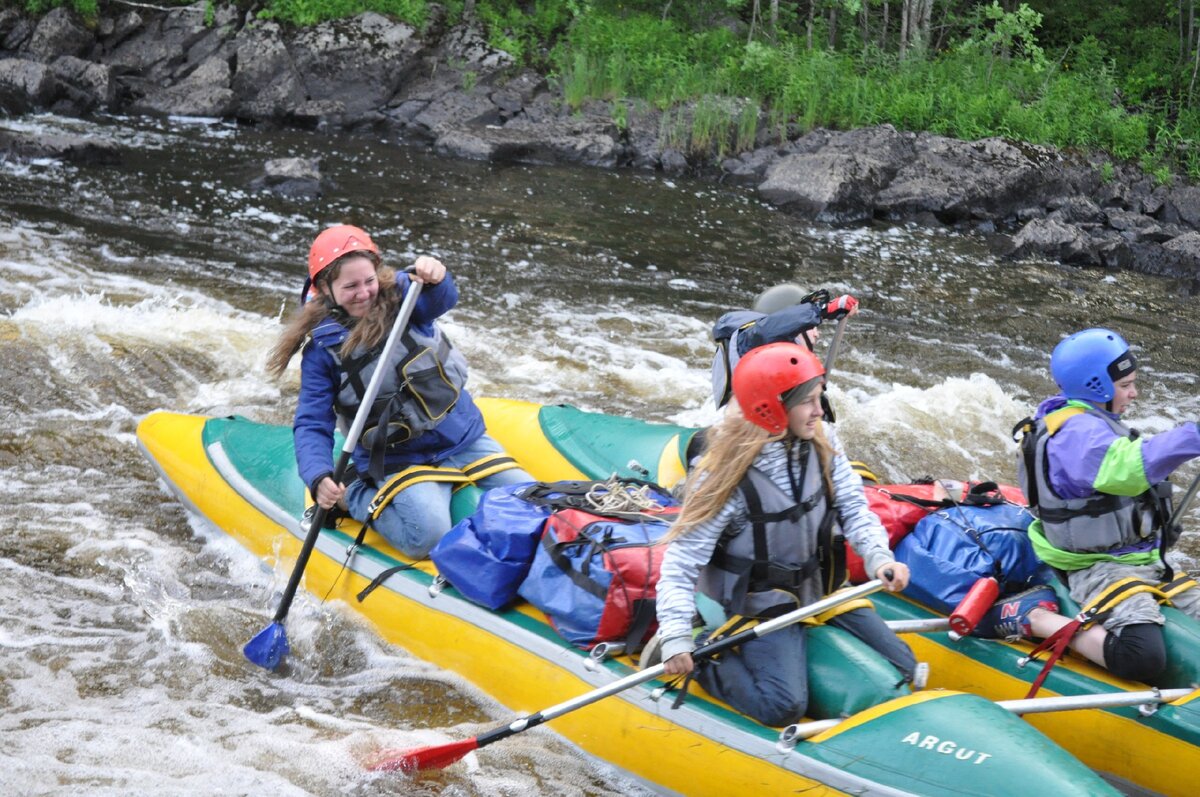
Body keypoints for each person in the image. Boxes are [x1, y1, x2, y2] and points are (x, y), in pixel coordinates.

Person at [655, 341, 914, 727]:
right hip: (760, 606)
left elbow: (854, 509)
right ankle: (707, 656)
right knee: (782, 705)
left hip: (818, 594)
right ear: (773, 407)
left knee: (903, 666)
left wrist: (879, 556)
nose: (819, 411)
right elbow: (679, 564)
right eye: (808, 401)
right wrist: (676, 636)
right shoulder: (725, 476)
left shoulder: (823, 444)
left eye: (819, 397)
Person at [266, 224, 532, 559]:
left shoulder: (405, 297)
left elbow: (442, 297)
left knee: (530, 504)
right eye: (350, 286)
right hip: (396, 457)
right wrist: (318, 476)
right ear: (325, 288)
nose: (364, 292)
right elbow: (312, 422)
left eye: (369, 280)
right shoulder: (321, 353)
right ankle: (356, 496)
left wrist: (436, 275)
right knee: (427, 536)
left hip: (460, 438)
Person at [1009, 327, 1200, 682]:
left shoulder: (1093, 421)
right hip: (1094, 567)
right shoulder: (1074, 436)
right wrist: (1193, 436)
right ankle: (1037, 619)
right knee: (1141, 657)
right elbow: (1126, 469)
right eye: (1126, 385)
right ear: (1098, 387)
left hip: (1141, 560)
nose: (1134, 392)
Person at [709, 283, 858, 410]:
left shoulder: (777, 362)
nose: (817, 334)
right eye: (812, 327)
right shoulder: (749, 342)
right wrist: (821, 310)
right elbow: (767, 331)